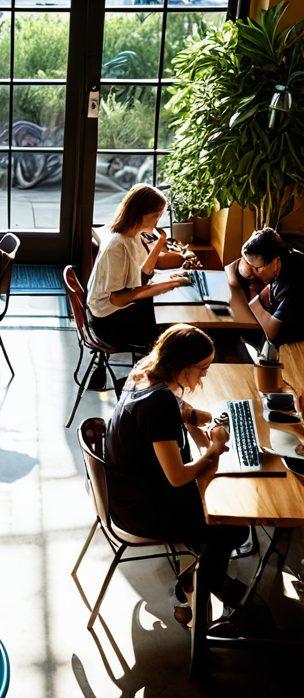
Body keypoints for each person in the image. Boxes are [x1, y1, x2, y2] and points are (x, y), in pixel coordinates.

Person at [104, 324, 248, 627]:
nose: (205, 375)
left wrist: (194, 416)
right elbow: (178, 478)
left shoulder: (143, 370)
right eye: (203, 369)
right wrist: (214, 450)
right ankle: (203, 585)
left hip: (127, 493)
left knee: (229, 524)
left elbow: (176, 405)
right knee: (234, 527)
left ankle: (202, 578)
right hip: (144, 510)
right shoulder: (159, 405)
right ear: (182, 367)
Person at [87, 184, 189, 360]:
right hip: (108, 321)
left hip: (117, 309)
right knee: (170, 324)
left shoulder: (135, 234)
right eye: (155, 215)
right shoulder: (117, 246)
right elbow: (117, 299)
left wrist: (165, 243)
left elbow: (148, 267)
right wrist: (159, 288)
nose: (158, 220)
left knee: (170, 309)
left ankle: (164, 365)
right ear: (139, 213)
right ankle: (158, 371)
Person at [225, 228, 304, 347]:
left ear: (275, 261)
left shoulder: (294, 282)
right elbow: (231, 268)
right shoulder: (282, 261)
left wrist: (254, 301)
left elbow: (272, 333)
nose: (254, 272)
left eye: (256, 268)